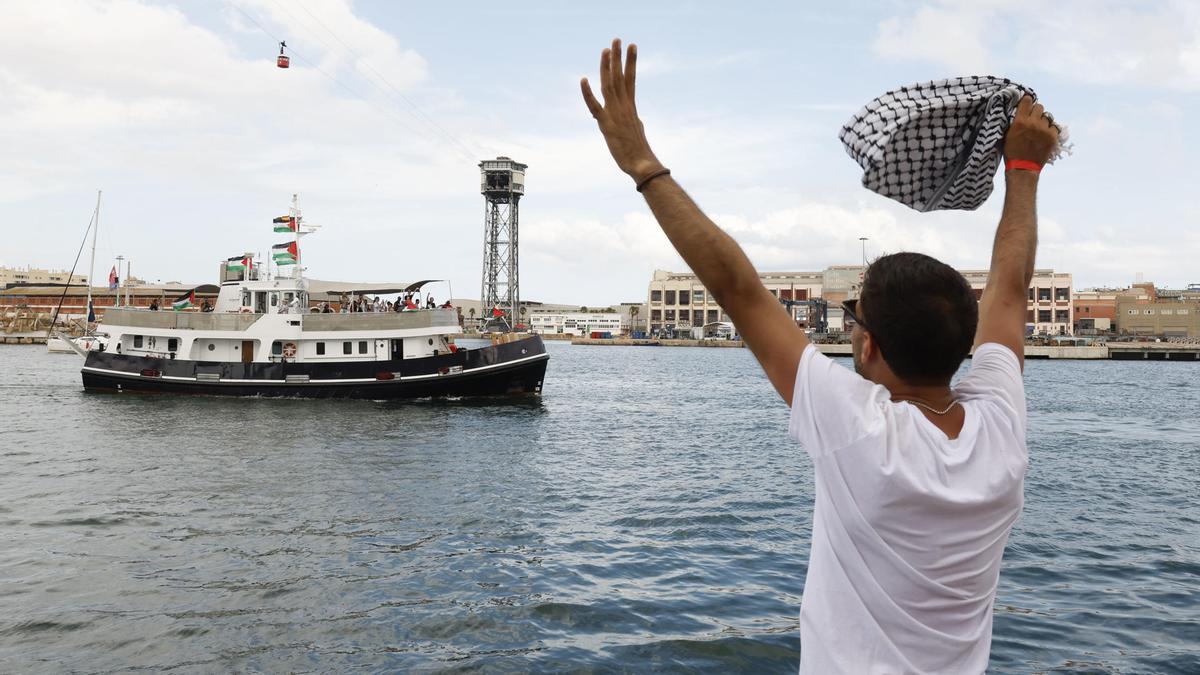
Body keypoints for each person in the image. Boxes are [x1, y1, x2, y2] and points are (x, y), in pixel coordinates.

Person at [582, 39, 1059, 674]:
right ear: (961, 346)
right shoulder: (999, 430)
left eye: (853, 315)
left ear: (870, 345)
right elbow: (1012, 285)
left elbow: (737, 289)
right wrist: (1023, 171)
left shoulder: (863, 432)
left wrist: (641, 161)